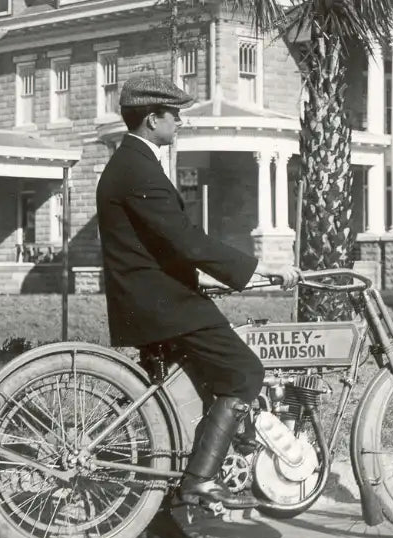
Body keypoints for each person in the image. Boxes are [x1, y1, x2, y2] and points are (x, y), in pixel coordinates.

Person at [95, 74, 300, 509]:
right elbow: (187, 240)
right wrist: (260, 269)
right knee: (245, 373)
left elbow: (159, 245)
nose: (180, 123)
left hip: (153, 295)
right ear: (152, 119)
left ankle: (179, 488)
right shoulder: (137, 167)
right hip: (163, 303)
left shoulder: (132, 163)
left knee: (193, 389)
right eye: (175, 115)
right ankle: (201, 480)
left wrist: (210, 278)